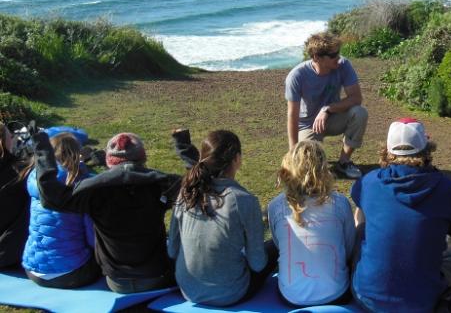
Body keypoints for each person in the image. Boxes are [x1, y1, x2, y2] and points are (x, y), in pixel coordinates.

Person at [351, 118, 451, 313]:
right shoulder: (445, 188)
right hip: (420, 303)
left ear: (387, 150)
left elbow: (359, 200)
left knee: (362, 210)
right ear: (427, 148)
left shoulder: (369, 182)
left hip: (366, 297)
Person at [34, 131, 190, 293]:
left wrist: (43, 148)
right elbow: (200, 183)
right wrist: (183, 145)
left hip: (116, 281)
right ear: (143, 157)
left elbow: (50, 197)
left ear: (109, 160)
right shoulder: (162, 183)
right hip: (157, 276)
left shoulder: (92, 189)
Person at [168, 129, 275, 306]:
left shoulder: (186, 192)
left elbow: (172, 250)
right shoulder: (244, 200)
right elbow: (257, 264)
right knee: (274, 246)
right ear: (237, 159)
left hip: (188, 289)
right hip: (230, 293)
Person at [268, 140, 355, 306]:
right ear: (323, 169)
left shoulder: (275, 206)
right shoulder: (340, 203)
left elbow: (279, 246)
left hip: (291, 297)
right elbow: (349, 249)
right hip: (337, 294)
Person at [285, 32, 368, 179]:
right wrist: (293, 151)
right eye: (333, 55)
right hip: (308, 125)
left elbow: (356, 98)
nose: (338, 57)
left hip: (332, 118)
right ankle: (313, 158)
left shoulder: (343, 65)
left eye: (338, 53)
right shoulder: (297, 76)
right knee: (309, 172)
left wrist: (327, 109)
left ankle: (343, 163)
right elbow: (292, 115)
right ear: (317, 57)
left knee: (359, 113)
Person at [22, 132, 100, 288]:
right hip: (70, 272)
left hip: (32, 270)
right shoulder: (80, 185)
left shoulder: (35, 177)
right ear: (76, 153)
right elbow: (93, 240)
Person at [0, 122, 30, 268]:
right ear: (4, 141)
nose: (13, 138)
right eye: (10, 136)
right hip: (6, 254)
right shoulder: (21, 171)